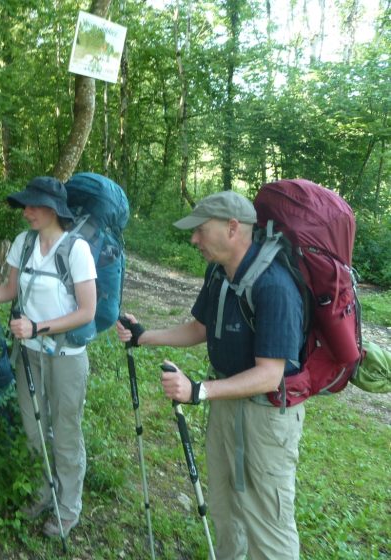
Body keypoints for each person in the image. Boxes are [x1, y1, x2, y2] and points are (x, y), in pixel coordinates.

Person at [117, 190, 306, 559]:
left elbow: (270, 375)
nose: (193, 239)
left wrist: (198, 390)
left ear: (233, 228)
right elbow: (200, 328)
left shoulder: (274, 285)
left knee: (268, 526)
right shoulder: (219, 273)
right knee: (225, 509)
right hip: (226, 408)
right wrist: (144, 337)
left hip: (266, 419)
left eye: (200, 230)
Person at [0, 176, 96, 538]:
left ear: (54, 210)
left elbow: (87, 311)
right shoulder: (23, 242)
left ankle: (68, 506)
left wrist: (37, 327)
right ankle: (43, 491)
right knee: (33, 428)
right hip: (27, 353)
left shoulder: (76, 249)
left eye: (33, 205)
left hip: (65, 356)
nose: (26, 211)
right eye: (25, 205)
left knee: (65, 431)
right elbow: (9, 290)